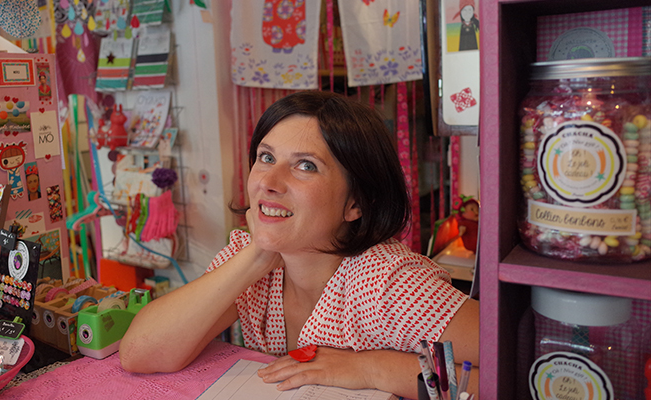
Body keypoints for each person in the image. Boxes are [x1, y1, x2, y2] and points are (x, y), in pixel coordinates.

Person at [119, 91, 479, 398]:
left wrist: (374, 368)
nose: (269, 182)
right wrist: (257, 255)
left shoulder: (387, 284)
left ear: (355, 203)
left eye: (305, 165)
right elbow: (139, 354)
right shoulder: (252, 259)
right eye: (266, 157)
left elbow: (524, 374)